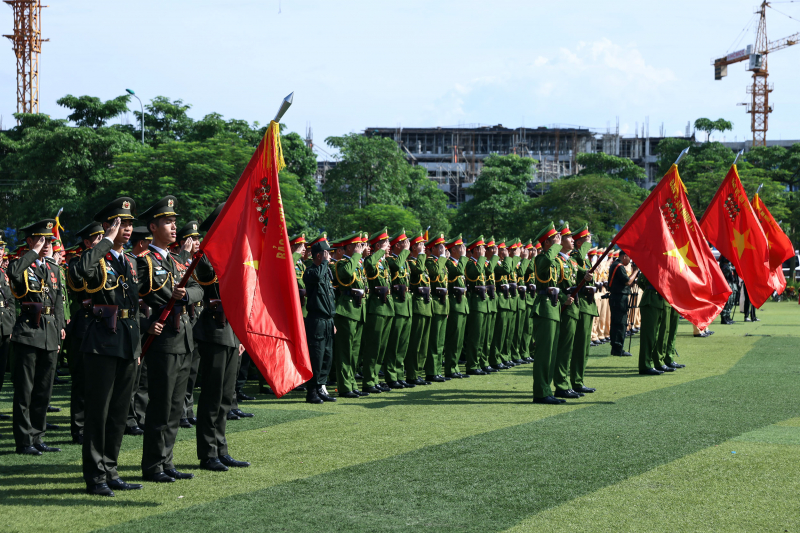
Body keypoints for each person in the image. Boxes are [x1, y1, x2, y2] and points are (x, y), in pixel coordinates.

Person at [72, 198, 144, 496]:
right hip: (102, 341)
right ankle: (96, 476)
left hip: (126, 341)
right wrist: (106, 242)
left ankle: (111, 469)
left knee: (118, 412)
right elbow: (79, 274)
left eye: (128, 224)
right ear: (107, 227)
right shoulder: (95, 257)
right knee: (98, 412)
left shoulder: (128, 260)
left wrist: (137, 347)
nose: (126, 229)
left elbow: (134, 306)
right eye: (120, 224)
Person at [137, 196, 204, 483]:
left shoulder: (178, 261)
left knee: (177, 407)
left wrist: (187, 295)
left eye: (175, 221)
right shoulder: (144, 263)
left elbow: (199, 289)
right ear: (153, 227)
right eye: (167, 221)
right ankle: (153, 465)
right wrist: (146, 325)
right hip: (164, 341)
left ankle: (167, 461)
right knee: (161, 405)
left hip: (185, 339)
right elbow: (128, 300)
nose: (174, 226)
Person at [193, 203, 251, 471]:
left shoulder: (234, 253)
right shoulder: (205, 254)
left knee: (226, 395)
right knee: (212, 395)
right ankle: (208, 453)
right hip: (213, 329)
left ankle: (221, 448)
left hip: (231, 330)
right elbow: (207, 278)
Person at [10, 219, 66, 454]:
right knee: (26, 390)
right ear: (30, 241)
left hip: (50, 331)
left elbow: (58, 300)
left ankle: (38, 436)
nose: (46, 243)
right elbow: (13, 273)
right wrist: (32, 252)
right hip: (29, 332)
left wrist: (61, 327)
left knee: (44, 389)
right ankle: (24, 441)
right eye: (41, 239)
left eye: (49, 239)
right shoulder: (22, 264)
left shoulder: (52, 268)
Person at [65, 221, 105, 445]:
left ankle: (94, 424)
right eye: (98, 238)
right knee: (82, 381)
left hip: (102, 324)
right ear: (88, 242)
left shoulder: (107, 261)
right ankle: (78, 427)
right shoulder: (78, 262)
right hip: (84, 324)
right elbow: (79, 285)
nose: (102, 241)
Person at [124, 226, 153, 436]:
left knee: (142, 377)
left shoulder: (146, 262)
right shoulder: (128, 262)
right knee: (130, 377)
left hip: (147, 323)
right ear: (142, 243)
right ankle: (128, 418)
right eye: (149, 242)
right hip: (132, 324)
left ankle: (139, 416)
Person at [302, 234, 337, 403]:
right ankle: (312, 390)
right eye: (326, 253)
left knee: (327, 356)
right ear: (319, 255)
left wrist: (333, 321)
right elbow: (316, 277)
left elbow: (330, 298)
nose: (329, 256)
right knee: (316, 355)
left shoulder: (326, 272)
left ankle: (321, 386)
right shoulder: (311, 271)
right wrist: (323, 262)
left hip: (328, 320)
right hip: (316, 320)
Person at [333, 232, 369, 398]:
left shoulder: (357, 262)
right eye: (357, 245)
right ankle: (344, 386)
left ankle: (352, 383)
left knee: (354, 351)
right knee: (345, 351)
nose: (360, 248)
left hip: (358, 308)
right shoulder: (342, 263)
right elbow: (346, 274)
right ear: (348, 248)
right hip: (346, 310)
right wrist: (356, 255)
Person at [531, 222, 564, 404]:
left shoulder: (553, 259)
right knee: (544, 353)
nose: (558, 242)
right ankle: (541, 392)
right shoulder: (541, 259)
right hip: (544, 308)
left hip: (554, 307)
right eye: (554, 240)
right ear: (546, 243)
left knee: (551, 353)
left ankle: (547, 389)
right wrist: (557, 246)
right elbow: (548, 261)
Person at [361, 228, 394, 394]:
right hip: (376, 308)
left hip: (386, 307)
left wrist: (382, 253)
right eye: (386, 243)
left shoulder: (383, 261)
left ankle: (375, 379)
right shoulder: (370, 260)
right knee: (373, 347)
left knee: (382, 347)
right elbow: (369, 265)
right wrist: (379, 251)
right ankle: (368, 380)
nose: (389, 246)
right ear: (378, 245)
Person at [383, 229, 413, 389]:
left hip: (406, 305)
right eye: (404, 243)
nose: (407, 245)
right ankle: (391, 376)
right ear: (396, 246)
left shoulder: (405, 261)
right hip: (397, 306)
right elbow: (395, 267)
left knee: (403, 344)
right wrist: (406, 252)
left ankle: (400, 375)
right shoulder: (391, 260)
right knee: (394, 345)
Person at [569, 226, 597, 392]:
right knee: (578, 347)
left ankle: (579, 380)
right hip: (580, 306)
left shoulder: (584, 258)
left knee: (584, 347)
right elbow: (578, 257)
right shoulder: (575, 255)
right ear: (579, 242)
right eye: (586, 239)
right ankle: (575, 382)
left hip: (588, 305)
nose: (590, 241)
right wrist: (584, 245)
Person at [405, 231, 432, 386]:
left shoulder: (421, 262)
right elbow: (419, 271)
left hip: (426, 305)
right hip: (417, 305)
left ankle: (418, 372)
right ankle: (412, 373)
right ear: (414, 248)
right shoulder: (411, 263)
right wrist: (421, 255)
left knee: (423, 343)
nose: (423, 247)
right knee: (415, 343)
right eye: (420, 245)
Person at [443, 234, 470, 379]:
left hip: (462, 304)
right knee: (453, 339)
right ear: (453, 249)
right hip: (454, 303)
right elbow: (458, 272)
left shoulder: (458, 262)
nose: (463, 249)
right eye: (461, 247)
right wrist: (464, 257)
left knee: (459, 339)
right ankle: (450, 368)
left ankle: (454, 368)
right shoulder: (449, 263)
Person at [425, 233, 450, 383]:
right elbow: (434, 274)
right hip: (434, 302)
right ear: (433, 248)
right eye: (440, 246)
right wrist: (442, 257)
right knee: (434, 341)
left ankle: (437, 370)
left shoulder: (440, 261)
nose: (443, 249)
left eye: (444, 246)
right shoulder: (429, 262)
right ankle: (431, 371)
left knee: (440, 341)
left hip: (442, 304)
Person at [464, 236, 488, 375]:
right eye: (482, 248)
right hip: (475, 303)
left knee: (482, 336)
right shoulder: (470, 263)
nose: (484, 250)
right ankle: (472, 364)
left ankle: (478, 362)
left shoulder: (480, 262)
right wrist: (481, 258)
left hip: (482, 302)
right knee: (475, 336)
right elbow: (475, 273)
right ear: (476, 250)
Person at [608, 249, 638, 357]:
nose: (630, 261)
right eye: (629, 258)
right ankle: (617, 348)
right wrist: (635, 271)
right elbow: (628, 281)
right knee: (620, 323)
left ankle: (617, 347)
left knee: (619, 323)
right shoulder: (619, 266)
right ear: (624, 256)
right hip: (619, 298)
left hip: (619, 297)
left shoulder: (616, 265)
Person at [0, 231, 15, 421]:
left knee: (0, 372)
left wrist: (10, 323)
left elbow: (10, 300)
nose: (0, 250)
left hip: (4, 327)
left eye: (1, 247)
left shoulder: (3, 272)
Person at [719, 256, 738, 325]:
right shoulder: (724, 266)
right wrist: (733, 268)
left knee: (731, 302)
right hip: (727, 284)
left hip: (731, 283)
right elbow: (727, 270)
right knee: (727, 302)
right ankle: (724, 318)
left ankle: (728, 317)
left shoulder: (730, 266)